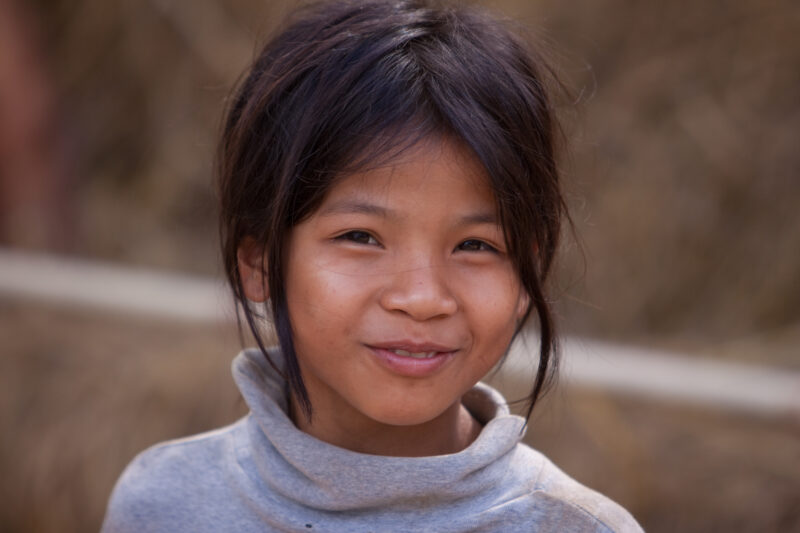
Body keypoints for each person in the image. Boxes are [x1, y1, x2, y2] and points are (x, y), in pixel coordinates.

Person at [101, 0, 643, 531]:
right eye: (360, 237)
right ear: (259, 260)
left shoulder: (572, 526)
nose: (424, 298)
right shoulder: (165, 502)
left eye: (476, 245)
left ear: (529, 273)